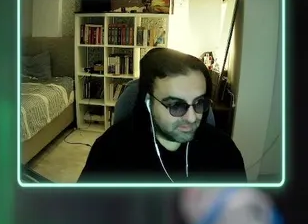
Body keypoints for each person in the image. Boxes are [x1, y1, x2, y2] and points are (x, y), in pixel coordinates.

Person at [79, 47, 247, 184]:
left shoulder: (224, 152)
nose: (191, 117)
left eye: (199, 103)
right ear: (148, 102)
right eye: (176, 106)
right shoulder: (111, 151)